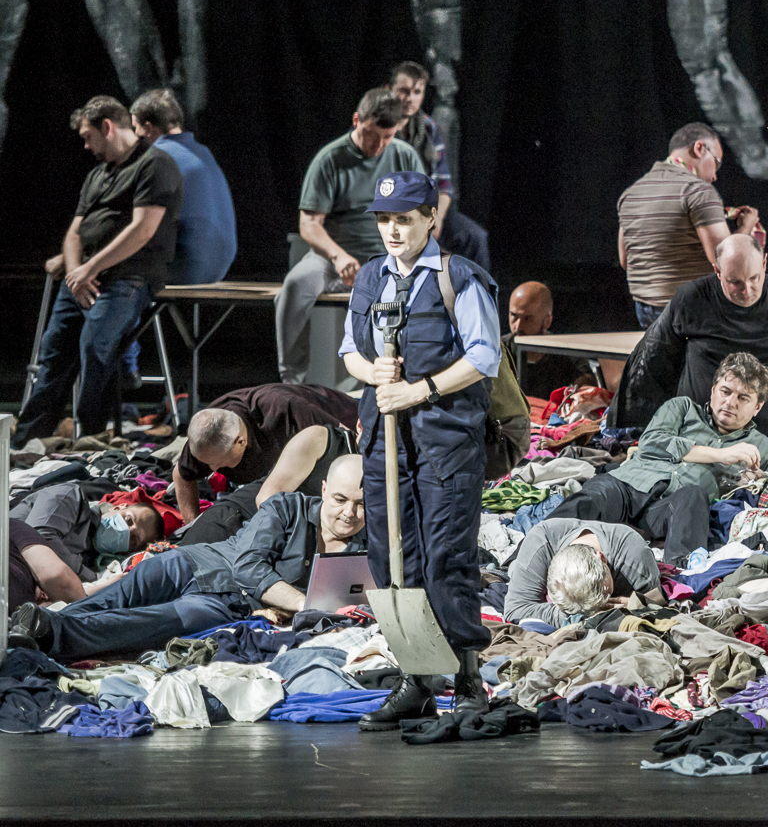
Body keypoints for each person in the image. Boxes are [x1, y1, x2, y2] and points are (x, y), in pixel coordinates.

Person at [338, 171, 500, 730]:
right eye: (384, 220)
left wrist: (420, 390)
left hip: (446, 445)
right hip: (385, 442)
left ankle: (468, 679)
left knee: (446, 560)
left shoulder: (459, 278)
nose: (392, 230)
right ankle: (418, 679)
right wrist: (373, 373)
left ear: (431, 217)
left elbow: (483, 356)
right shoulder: (369, 279)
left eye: (404, 219)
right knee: (391, 563)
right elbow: (349, 352)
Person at [7, 457, 365, 661]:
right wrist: (307, 604)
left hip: (228, 605)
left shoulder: (368, 547)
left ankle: (48, 632)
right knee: (110, 600)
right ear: (323, 490)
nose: (349, 512)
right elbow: (248, 568)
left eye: (361, 504)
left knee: (148, 622)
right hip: (195, 563)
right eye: (340, 499)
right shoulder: (286, 507)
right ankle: (32, 629)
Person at [13, 96, 183, 447]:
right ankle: (27, 442)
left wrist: (91, 267)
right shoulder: (98, 175)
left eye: (88, 137)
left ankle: (91, 436)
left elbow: (142, 230)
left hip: (129, 277)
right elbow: (76, 232)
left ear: (107, 127)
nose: (87, 146)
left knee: (96, 346)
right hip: (85, 278)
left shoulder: (155, 165)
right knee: (54, 351)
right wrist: (76, 272)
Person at [549, 353, 768, 561]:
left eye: (743, 398)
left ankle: (682, 575)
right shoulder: (682, 408)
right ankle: (534, 550)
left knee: (693, 495)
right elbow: (652, 443)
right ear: (713, 390)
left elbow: (746, 500)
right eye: (725, 392)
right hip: (629, 485)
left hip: (671, 511)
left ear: (757, 407)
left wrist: (748, 486)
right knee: (593, 496)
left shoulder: (762, 447)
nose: (730, 402)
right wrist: (720, 455)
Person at [613, 235, 768, 447]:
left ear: (764, 263)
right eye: (735, 282)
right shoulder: (692, 298)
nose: (747, 290)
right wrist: (643, 427)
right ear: (717, 271)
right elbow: (655, 358)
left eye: (755, 278)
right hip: (700, 443)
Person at [277, 88, 424, 383]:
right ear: (357, 120)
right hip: (334, 257)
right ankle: (291, 380)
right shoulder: (331, 159)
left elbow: (422, 214)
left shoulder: (404, 156)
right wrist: (337, 255)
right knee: (295, 286)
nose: (379, 145)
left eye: (387, 137)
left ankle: (406, 377)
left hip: (388, 258)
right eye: (372, 135)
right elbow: (309, 223)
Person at [172, 384, 361, 539]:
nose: (213, 469)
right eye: (208, 464)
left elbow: (345, 442)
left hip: (346, 415)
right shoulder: (207, 436)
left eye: (219, 463)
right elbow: (181, 476)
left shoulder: (286, 412)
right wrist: (192, 523)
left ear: (241, 442)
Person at [617, 123, 760, 327]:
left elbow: (626, 261)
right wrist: (746, 227)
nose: (715, 176)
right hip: (691, 309)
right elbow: (725, 261)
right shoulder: (698, 190)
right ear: (699, 148)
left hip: (645, 310)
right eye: (716, 163)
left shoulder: (631, 193)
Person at [388, 60, 490, 269]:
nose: (410, 98)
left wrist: (438, 218)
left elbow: (444, 186)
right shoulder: (379, 129)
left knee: (474, 237)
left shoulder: (427, 127)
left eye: (417, 92)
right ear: (389, 90)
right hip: (392, 212)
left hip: (426, 210)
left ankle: (478, 291)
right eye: (404, 91)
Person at [130, 88, 236, 286]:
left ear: (148, 128)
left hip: (187, 268)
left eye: (135, 127)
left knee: (105, 269)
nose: (135, 135)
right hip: (219, 266)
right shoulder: (203, 152)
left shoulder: (158, 158)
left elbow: (140, 226)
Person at [7, 484, 165, 607]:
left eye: (134, 539)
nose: (127, 531)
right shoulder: (71, 496)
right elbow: (39, 535)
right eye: (128, 520)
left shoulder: (95, 559)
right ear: (117, 508)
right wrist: (91, 578)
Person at [502, 519, 664, 628]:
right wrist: (577, 615)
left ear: (602, 559)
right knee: (513, 569)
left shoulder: (636, 563)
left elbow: (658, 609)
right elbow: (514, 609)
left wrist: (637, 606)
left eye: (607, 594)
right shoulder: (541, 543)